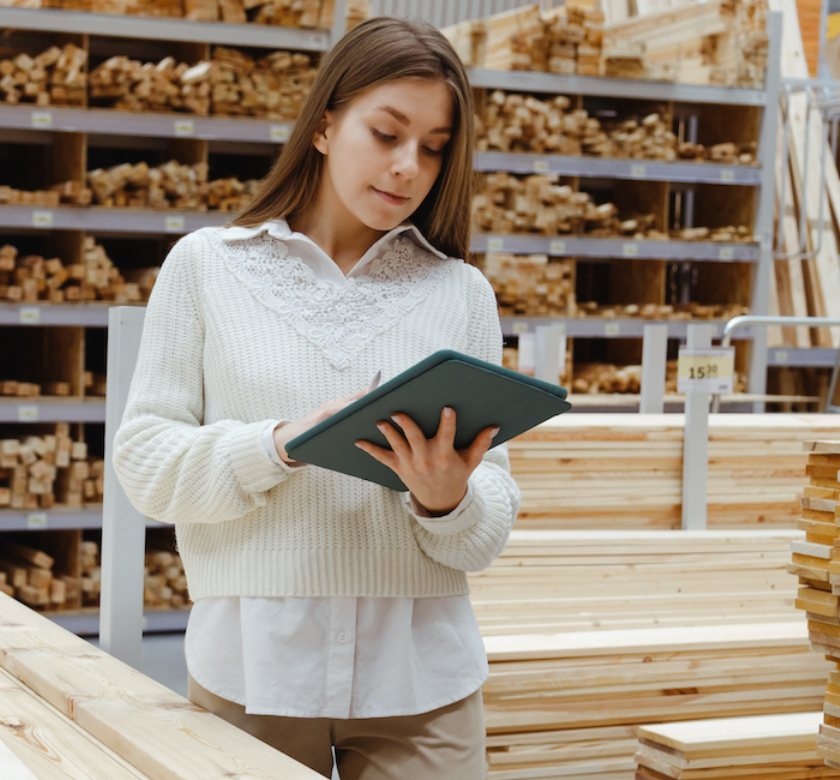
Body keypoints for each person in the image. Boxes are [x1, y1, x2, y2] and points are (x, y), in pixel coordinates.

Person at [111, 16, 520, 780]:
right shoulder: (206, 268)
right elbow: (145, 465)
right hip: (252, 672)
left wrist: (446, 501)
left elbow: (487, 525)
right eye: (387, 133)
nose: (408, 167)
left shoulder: (461, 294)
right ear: (326, 124)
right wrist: (278, 444)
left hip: (422, 679)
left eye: (434, 148)